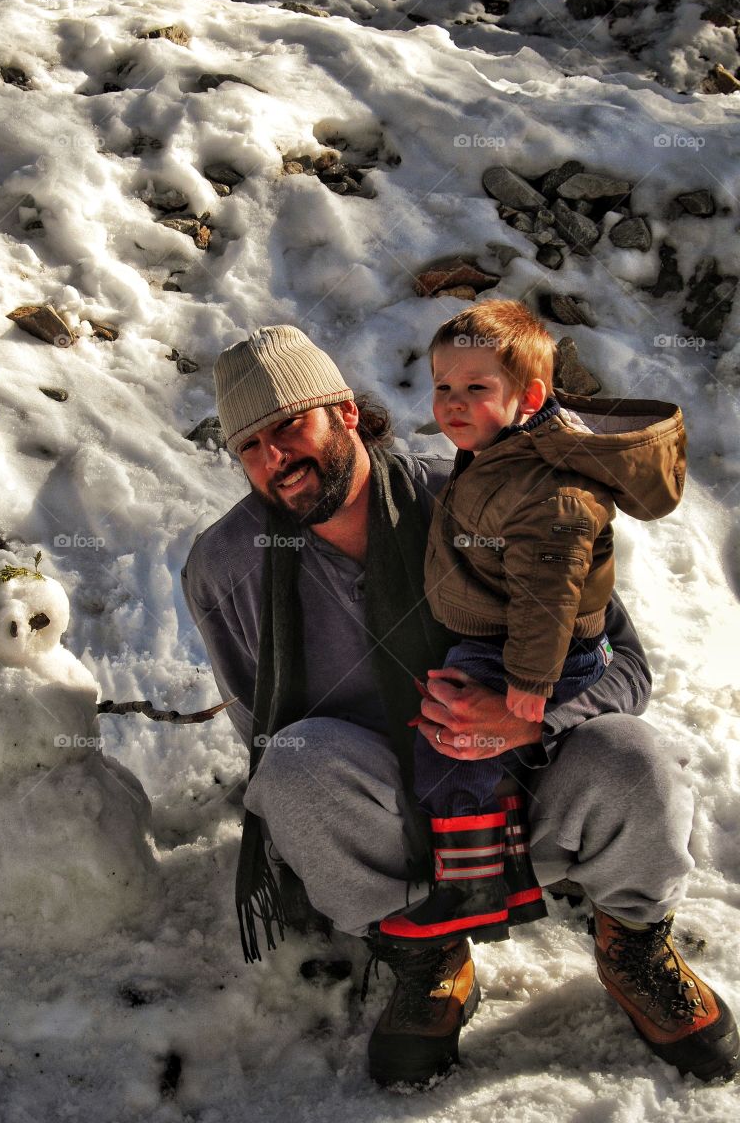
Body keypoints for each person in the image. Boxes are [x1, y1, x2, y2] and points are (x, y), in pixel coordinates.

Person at [181, 323, 738, 1089]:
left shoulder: (484, 492)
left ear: (345, 411)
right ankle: (426, 953)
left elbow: (623, 666)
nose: (275, 459)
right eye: (250, 445)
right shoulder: (226, 568)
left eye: (289, 426)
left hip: (534, 791)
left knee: (636, 754)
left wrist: (526, 717)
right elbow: (259, 725)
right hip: (392, 827)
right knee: (293, 765)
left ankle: (633, 944)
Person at [384, 300, 686, 950]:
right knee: (449, 734)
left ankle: (479, 889)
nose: (453, 403)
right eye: (442, 387)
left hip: (535, 653)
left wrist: (524, 691)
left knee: (455, 745)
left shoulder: (543, 484)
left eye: (476, 388)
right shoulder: (497, 453)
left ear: (530, 397)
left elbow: (549, 593)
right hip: (507, 642)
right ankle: (486, 878)